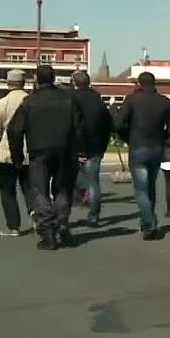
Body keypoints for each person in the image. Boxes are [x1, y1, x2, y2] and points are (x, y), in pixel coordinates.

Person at [6, 65, 86, 250]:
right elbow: (80, 127)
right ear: (54, 78)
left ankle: (48, 231)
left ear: (36, 79)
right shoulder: (68, 99)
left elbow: (14, 131)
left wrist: (17, 157)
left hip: (39, 151)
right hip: (65, 150)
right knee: (62, 189)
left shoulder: (29, 102)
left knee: (40, 191)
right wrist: (81, 151)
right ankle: (62, 224)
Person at [116, 72, 170, 239]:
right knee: (150, 187)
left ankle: (149, 222)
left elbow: (119, 123)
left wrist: (127, 137)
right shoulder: (164, 101)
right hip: (156, 147)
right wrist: (163, 136)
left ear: (139, 83)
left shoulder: (132, 100)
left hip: (137, 145)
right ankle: (148, 221)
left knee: (141, 189)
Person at [0, 70, 34, 236]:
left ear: (8, 83)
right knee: (29, 187)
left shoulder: (2, 103)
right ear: (24, 83)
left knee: (8, 190)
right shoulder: (32, 101)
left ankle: (13, 227)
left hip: (7, 153)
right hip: (29, 151)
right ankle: (35, 214)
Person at [69, 71, 112, 227]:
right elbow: (108, 123)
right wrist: (103, 145)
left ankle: (77, 203)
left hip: (78, 145)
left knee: (73, 178)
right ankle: (94, 214)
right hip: (97, 146)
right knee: (93, 181)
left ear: (74, 83)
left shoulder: (72, 98)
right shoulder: (97, 99)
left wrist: (80, 149)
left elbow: (76, 124)